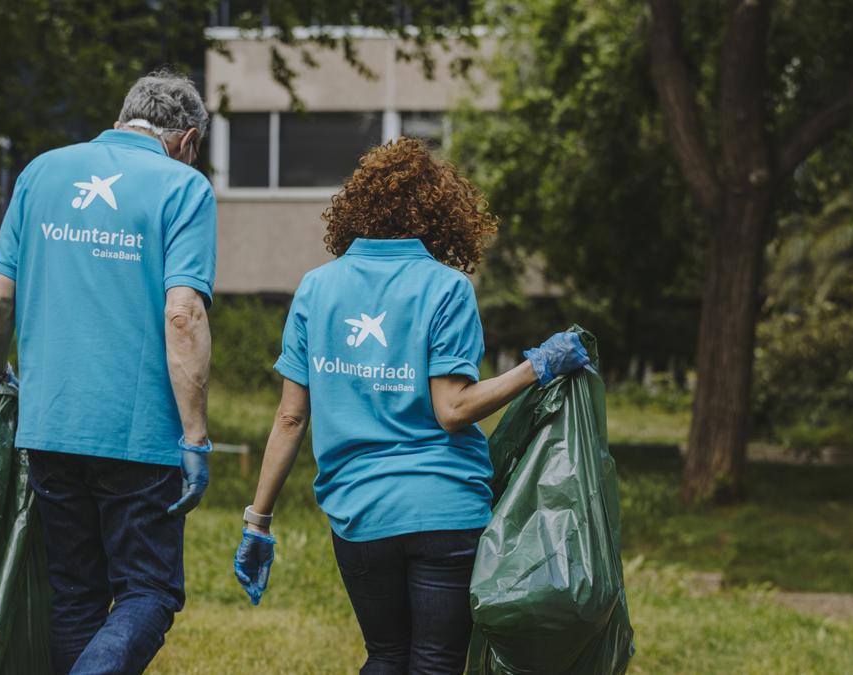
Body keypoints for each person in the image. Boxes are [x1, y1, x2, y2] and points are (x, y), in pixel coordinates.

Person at [232, 138, 590, 674]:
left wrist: (257, 521)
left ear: (358, 206)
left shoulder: (315, 289)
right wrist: (534, 367)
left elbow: (290, 417)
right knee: (435, 663)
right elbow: (453, 409)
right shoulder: (447, 289)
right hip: (445, 512)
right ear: (441, 213)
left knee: (385, 656)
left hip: (361, 515)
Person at [0, 70, 217, 675]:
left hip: (49, 424)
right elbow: (183, 316)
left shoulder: (40, 172)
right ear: (187, 140)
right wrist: (194, 435)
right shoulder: (184, 187)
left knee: (77, 594)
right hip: (138, 434)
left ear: (122, 117)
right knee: (149, 591)